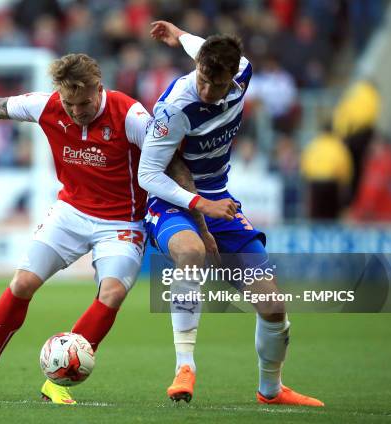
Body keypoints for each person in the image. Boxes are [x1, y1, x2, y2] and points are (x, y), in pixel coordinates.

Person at [0, 53, 233, 404]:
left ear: (99, 89)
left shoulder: (131, 115)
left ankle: (59, 376)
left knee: (112, 293)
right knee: (22, 282)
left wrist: (201, 226)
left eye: (83, 103)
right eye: (69, 103)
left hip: (122, 221)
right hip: (70, 212)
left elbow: (172, 164)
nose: (75, 111)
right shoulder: (46, 106)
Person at [138, 21, 324, 407]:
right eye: (203, 79)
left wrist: (180, 36)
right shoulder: (174, 107)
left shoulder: (241, 70)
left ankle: (270, 391)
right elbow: (148, 174)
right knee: (191, 252)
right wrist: (200, 206)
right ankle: (184, 366)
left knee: (273, 307)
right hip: (171, 201)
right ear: (198, 68)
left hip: (220, 200)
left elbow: (203, 47)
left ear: (233, 78)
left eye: (216, 85)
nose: (207, 89)